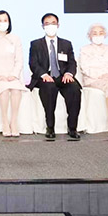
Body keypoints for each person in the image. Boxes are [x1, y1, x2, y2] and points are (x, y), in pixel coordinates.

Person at [29, 13, 82, 141]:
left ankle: (72, 128)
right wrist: (44, 75)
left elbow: (72, 62)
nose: (50, 26)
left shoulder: (66, 44)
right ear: (43, 26)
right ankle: (50, 127)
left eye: (53, 23)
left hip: (63, 76)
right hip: (45, 77)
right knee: (49, 88)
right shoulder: (36, 44)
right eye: (47, 24)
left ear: (58, 25)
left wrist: (69, 73)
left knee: (74, 89)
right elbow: (33, 63)